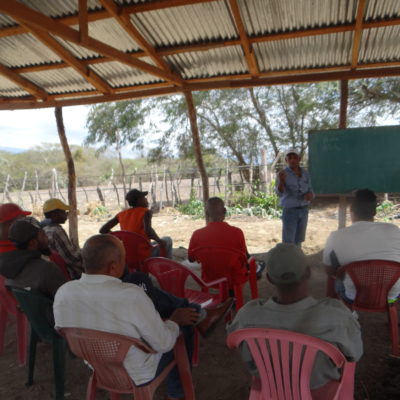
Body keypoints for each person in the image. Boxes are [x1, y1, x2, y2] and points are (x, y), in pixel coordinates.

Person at [54, 234, 233, 400]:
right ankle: (177, 391)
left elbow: (63, 331)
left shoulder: (63, 292)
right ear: (113, 266)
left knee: (153, 301)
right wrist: (174, 321)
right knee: (183, 325)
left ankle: (198, 315)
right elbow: (164, 343)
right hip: (137, 373)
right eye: (123, 261)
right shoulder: (131, 295)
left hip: (99, 367)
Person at [227, 243, 363, 391]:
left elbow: (232, 341)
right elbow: (355, 353)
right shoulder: (336, 315)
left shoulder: (247, 315)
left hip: (271, 385)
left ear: (270, 279)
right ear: (308, 273)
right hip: (318, 386)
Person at [323, 188, 400, 302]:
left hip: (354, 297)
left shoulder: (336, 236)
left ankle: (351, 315)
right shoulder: (394, 230)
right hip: (391, 296)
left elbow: (329, 270)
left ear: (351, 210)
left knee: (338, 281)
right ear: (374, 212)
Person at [188, 197, 264, 286]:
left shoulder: (197, 234)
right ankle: (257, 269)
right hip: (234, 279)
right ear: (224, 211)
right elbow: (245, 257)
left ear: (206, 213)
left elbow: (191, 259)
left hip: (210, 279)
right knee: (255, 264)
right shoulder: (237, 233)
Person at [0, 216, 66, 299]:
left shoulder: (6, 269)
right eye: (43, 234)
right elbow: (70, 301)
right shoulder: (47, 269)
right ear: (33, 243)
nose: (47, 237)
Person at [100, 189, 172, 259]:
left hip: (127, 254)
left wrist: (119, 239)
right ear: (139, 200)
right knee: (167, 240)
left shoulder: (121, 214)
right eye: (144, 197)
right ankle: (167, 266)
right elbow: (148, 230)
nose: (146, 199)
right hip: (144, 255)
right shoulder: (145, 212)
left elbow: (103, 230)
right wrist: (159, 241)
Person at [275, 149, 314, 246]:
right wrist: (282, 182)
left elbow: (311, 189)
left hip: (304, 210)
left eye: (295, 158)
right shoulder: (282, 174)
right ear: (286, 160)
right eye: (290, 158)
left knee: (299, 240)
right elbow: (279, 193)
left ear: (299, 159)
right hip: (290, 211)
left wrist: (310, 195)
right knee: (288, 241)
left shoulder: (305, 173)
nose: (292, 160)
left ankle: (296, 259)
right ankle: (288, 260)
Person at [43, 198, 83, 279]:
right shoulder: (56, 231)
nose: (66, 215)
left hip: (56, 271)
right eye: (64, 212)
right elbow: (72, 258)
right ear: (55, 214)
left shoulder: (44, 229)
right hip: (71, 274)